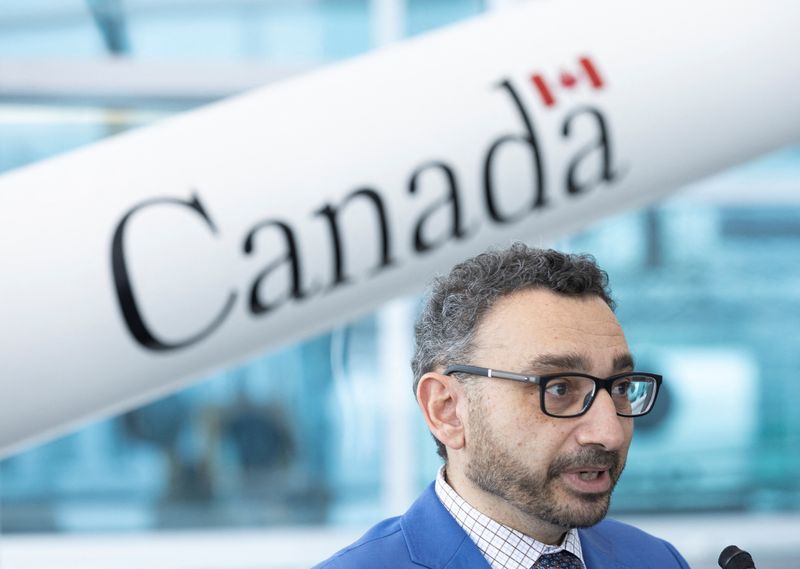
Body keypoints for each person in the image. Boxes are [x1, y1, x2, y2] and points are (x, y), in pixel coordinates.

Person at [314, 243, 690, 569]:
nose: (609, 433)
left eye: (621, 387)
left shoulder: (656, 560)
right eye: (559, 388)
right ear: (447, 410)